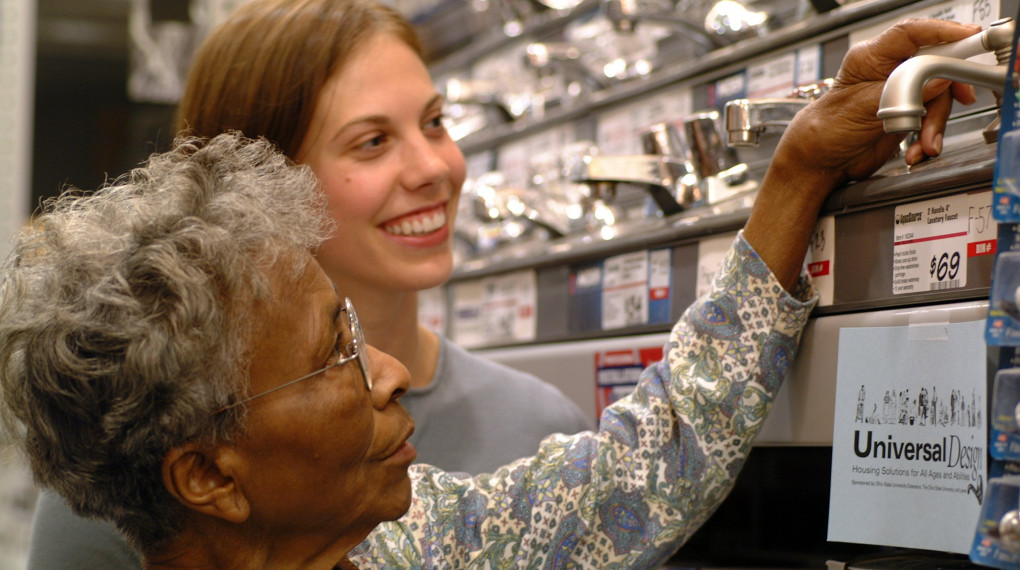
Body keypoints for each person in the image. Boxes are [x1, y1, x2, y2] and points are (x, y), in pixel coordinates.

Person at [3, 16, 979, 570]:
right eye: (331, 358)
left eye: (352, 333)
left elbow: (632, 479)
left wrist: (799, 168)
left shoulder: (408, 540)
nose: (384, 373)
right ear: (209, 477)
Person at [28, 0, 591, 565]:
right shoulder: (130, 475)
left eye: (435, 123)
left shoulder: (542, 424)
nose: (434, 168)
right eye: (372, 142)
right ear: (257, 189)